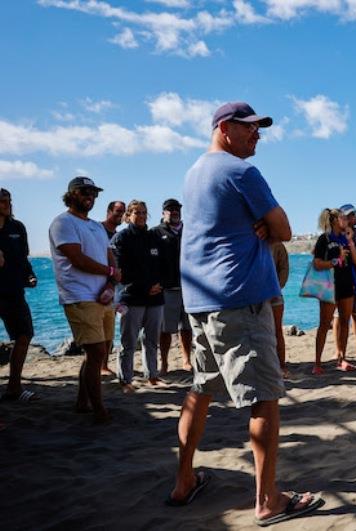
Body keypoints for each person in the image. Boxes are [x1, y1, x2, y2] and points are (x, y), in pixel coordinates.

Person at [169, 102, 322, 523]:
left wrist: (260, 226)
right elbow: (286, 230)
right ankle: (268, 499)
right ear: (223, 128)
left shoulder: (194, 172)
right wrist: (267, 227)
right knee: (265, 398)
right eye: (249, 127)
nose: (258, 135)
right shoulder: (240, 172)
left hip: (202, 301)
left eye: (259, 128)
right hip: (239, 299)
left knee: (200, 390)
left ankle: (184, 481)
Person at [49, 176, 119, 424]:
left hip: (103, 297)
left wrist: (111, 283)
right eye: (85, 191)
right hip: (79, 296)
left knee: (98, 352)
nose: (90, 196)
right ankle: (99, 409)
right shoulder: (63, 223)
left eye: (94, 192)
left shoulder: (97, 227)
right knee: (96, 351)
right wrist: (110, 273)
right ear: (72, 194)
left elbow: (109, 256)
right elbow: (76, 259)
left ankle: (82, 401)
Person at [111, 200, 165, 390]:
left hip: (156, 298)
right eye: (136, 213)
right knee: (129, 343)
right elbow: (121, 272)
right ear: (128, 216)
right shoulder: (121, 238)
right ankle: (125, 380)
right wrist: (145, 287)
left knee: (151, 341)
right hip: (132, 298)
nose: (141, 216)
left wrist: (159, 285)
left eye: (143, 212)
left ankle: (152, 376)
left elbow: (163, 265)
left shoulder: (153, 237)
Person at [311, 208, 356, 374]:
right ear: (334, 221)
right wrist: (335, 260)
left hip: (347, 284)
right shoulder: (324, 239)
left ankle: (342, 358)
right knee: (324, 324)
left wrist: (350, 241)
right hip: (329, 286)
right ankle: (317, 363)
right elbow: (317, 263)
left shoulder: (345, 239)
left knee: (345, 322)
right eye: (343, 218)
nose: (346, 220)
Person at [0, 188, 38, 401]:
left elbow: (23, 258)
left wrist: (30, 276)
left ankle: (14, 386)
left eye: (9, 200)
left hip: (13, 291)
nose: (8, 204)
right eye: (3, 201)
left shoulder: (17, 227)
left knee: (24, 335)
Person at [152, 198, 193, 375]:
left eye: (176, 209)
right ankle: (165, 363)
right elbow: (150, 260)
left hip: (190, 288)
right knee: (166, 330)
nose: (174, 212)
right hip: (167, 289)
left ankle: (187, 360)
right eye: (170, 209)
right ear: (163, 213)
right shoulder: (155, 232)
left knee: (187, 328)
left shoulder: (189, 231)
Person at [334, 204, 356, 358]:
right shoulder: (336, 234)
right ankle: (338, 350)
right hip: (342, 279)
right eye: (353, 215)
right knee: (339, 316)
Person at [99, 200, 125, 375]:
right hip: (97, 284)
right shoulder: (97, 230)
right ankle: (99, 365)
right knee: (98, 326)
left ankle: (104, 364)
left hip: (115, 285)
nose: (120, 215)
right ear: (108, 211)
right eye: (117, 211)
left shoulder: (119, 235)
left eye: (122, 212)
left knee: (109, 326)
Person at [270, 241, 290, 376]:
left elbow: (284, 269)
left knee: (277, 331)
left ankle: (281, 366)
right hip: (253, 296)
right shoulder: (249, 240)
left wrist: (275, 288)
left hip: (273, 294)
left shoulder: (277, 244)